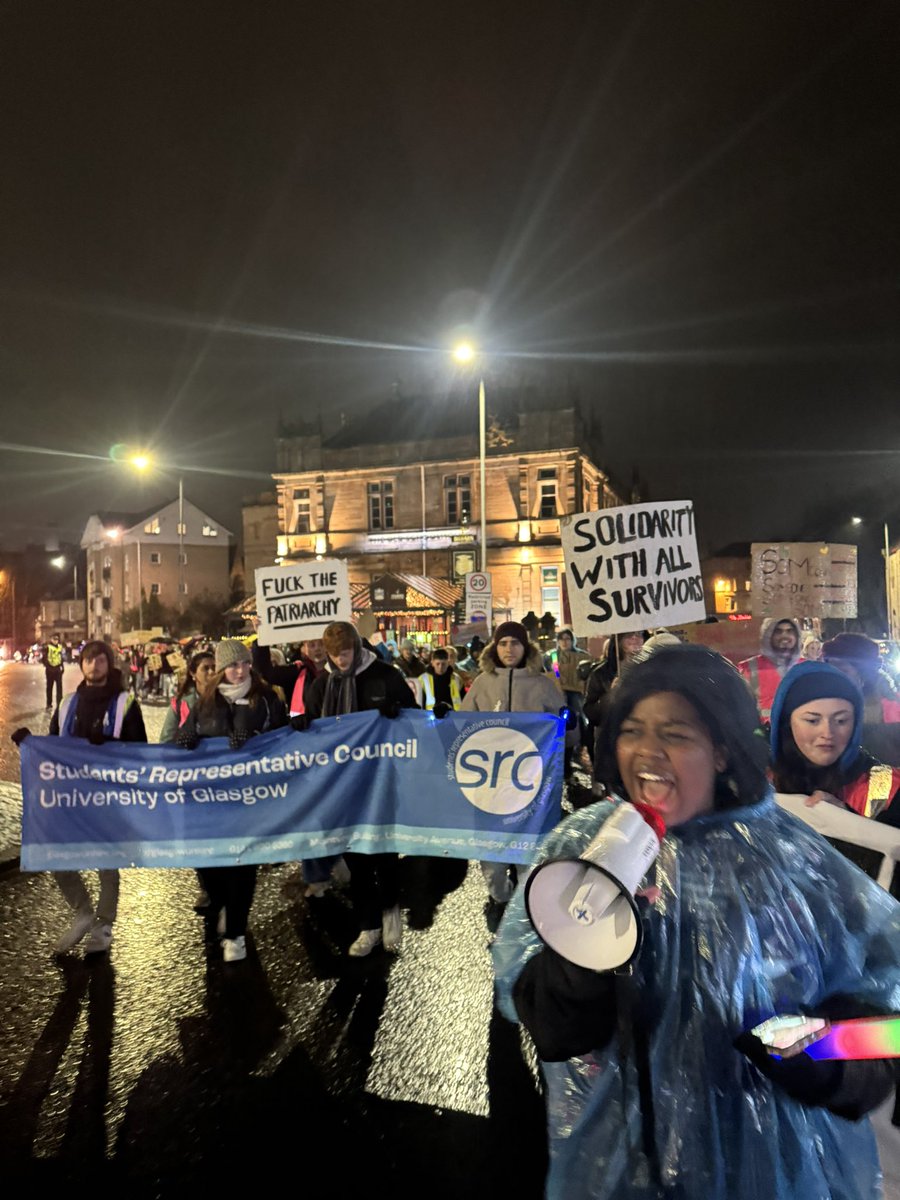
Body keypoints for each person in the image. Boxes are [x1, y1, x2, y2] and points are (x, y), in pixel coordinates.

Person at [493, 644, 900, 1200]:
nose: (647, 752)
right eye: (632, 730)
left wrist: (815, 1053)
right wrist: (584, 953)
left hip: (770, 1172)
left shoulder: (796, 865)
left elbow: (886, 1025)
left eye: (676, 734)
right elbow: (549, 1025)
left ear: (723, 751)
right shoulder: (578, 848)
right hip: (620, 1168)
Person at [15, 640, 147, 955]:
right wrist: (29, 743)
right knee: (57, 856)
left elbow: (140, 751)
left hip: (108, 798)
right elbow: (52, 748)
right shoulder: (66, 703)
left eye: (100, 659)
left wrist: (112, 745)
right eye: (89, 659)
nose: (94, 665)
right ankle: (82, 912)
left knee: (106, 862)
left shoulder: (125, 703)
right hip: (70, 799)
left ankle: (103, 925)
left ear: (109, 663)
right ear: (82, 665)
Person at [304, 621, 418, 956]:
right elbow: (310, 729)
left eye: (347, 652)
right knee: (358, 860)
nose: (342, 660)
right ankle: (368, 927)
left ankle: (391, 909)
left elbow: (415, 720)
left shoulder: (384, 675)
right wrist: (300, 724)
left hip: (381, 782)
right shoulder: (323, 684)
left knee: (383, 854)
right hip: (342, 787)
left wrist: (398, 714)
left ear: (357, 646)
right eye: (335, 654)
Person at [175, 640, 288, 962]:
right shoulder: (206, 701)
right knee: (209, 866)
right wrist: (187, 739)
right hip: (211, 798)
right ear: (222, 668)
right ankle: (221, 902)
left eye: (244, 664)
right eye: (232, 665)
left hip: (249, 799)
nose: (239, 671)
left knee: (242, 867)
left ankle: (236, 933)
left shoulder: (266, 699)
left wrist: (255, 742)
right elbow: (186, 732)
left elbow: (283, 743)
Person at [461, 621, 563, 903]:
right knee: (492, 853)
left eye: (515, 643)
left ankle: (525, 904)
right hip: (490, 785)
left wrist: (568, 723)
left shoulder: (543, 685)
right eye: (503, 643)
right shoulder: (482, 684)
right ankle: (500, 897)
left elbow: (567, 733)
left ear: (525, 647)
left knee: (527, 850)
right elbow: (462, 728)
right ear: (495, 647)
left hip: (530, 784)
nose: (509, 649)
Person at [770, 660, 900, 827]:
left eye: (841, 721)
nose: (828, 733)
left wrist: (848, 826)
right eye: (812, 720)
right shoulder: (761, 783)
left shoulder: (889, 789)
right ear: (787, 723)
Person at [737, 616, 804, 722]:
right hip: (763, 734)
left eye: (790, 631)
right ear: (768, 636)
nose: (784, 636)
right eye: (778, 632)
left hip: (800, 734)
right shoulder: (748, 667)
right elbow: (739, 708)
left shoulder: (808, 667)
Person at [546, 629, 592, 776]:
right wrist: (559, 682)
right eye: (562, 639)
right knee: (564, 728)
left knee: (578, 725)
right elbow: (554, 673)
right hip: (560, 697)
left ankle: (579, 749)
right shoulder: (553, 656)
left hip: (576, 697)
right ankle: (565, 763)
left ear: (573, 640)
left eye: (568, 639)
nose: (565, 642)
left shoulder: (581, 656)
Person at [159, 649, 216, 742]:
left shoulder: (226, 699)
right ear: (193, 673)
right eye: (205, 668)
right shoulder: (179, 703)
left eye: (214, 667)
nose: (211, 672)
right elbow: (166, 741)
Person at [415, 647, 462, 713]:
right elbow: (418, 702)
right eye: (438, 664)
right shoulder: (422, 679)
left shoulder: (456, 679)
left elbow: (463, 699)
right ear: (432, 663)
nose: (440, 667)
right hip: (430, 717)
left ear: (448, 663)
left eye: (443, 664)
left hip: (453, 717)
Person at [42, 633, 64, 710]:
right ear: (51, 639)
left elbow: (61, 658)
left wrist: (62, 667)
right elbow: (44, 659)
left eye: (57, 639)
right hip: (50, 670)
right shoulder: (47, 647)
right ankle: (49, 704)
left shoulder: (60, 647)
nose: (56, 641)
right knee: (49, 688)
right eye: (54, 639)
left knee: (59, 688)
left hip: (58, 670)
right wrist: (48, 666)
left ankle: (60, 703)